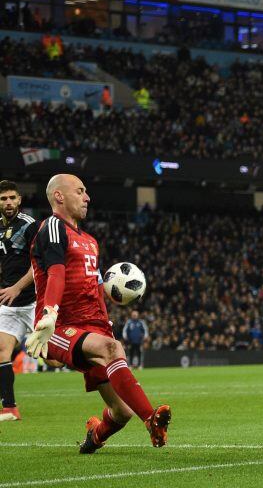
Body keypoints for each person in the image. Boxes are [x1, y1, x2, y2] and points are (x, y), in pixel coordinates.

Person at [25, 174, 170, 453]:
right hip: (59, 326)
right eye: (80, 191)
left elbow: (96, 285)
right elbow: (56, 273)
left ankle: (95, 435)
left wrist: (106, 325)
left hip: (93, 328)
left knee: (122, 411)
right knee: (111, 349)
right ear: (59, 196)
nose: (87, 197)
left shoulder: (90, 241)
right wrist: (50, 314)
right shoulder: (53, 227)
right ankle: (152, 420)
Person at [0, 180, 37, 421]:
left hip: (34, 301)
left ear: (19, 200)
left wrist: (16, 287)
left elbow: (39, 265)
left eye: (12, 197)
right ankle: (10, 408)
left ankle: (104, 368)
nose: (8, 202)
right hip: (9, 303)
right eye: (3, 199)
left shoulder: (29, 226)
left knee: (55, 358)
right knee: (2, 351)